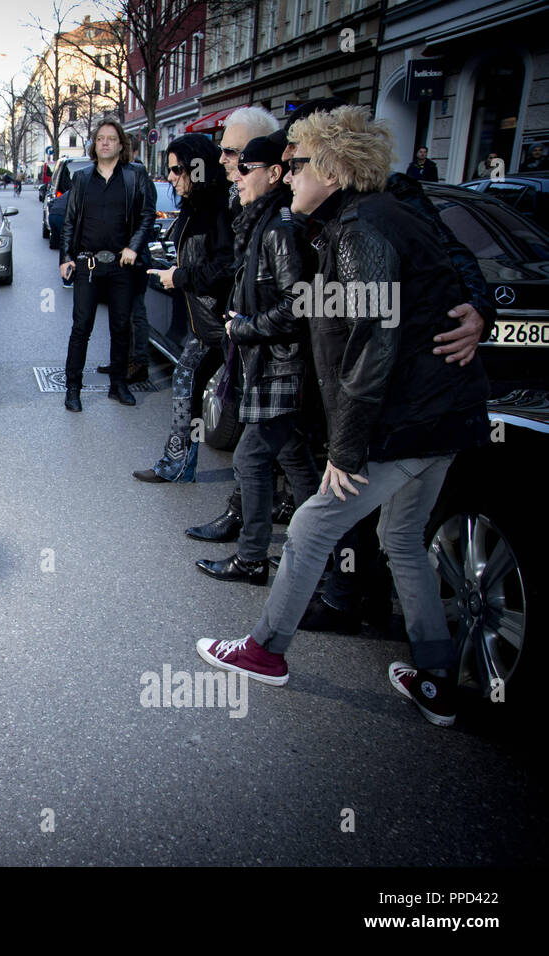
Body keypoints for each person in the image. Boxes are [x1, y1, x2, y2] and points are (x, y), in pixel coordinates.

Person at [196, 107, 490, 728]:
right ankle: (436, 680)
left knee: (309, 526)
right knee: (402, 539)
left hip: (408, 420)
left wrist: (347, 450)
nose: (288, 177)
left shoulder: (360, 228)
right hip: (446, 415)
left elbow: (372, 343)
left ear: (331, 169)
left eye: (297, 166)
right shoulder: (365, 220)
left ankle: (265, 650)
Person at [193, 135, 318, 586]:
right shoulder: (261, 220)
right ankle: (311, 556)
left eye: (247, 169)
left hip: (279, 363)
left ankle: (253, 559)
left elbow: (295, 306)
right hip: (268, 360)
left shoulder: (278, 228)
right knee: (296, 459)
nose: (238, 176)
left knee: (250, 458)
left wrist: (242, 326)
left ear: (274, 173)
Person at [133, 133, 234, 482]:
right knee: (186, 385)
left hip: (222, 324)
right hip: (205, 324)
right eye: (169, 169)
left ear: (198, 167)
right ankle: (178, 465)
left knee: (262, 416)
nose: (172, 177)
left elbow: (227, 267)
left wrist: (181, 277)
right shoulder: (196, 206)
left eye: (177, 169)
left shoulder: (220, 208)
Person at [58, 117, 156, 410]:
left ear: (120, 144)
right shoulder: (83, 178)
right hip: (87, 264)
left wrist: (134, 247)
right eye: (100, 138)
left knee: (120, 327)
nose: (104, 143)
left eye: (111, 139)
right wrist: (66, 257)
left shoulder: (135, 176)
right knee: (81, 328)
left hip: (121, 265)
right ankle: (73, 388)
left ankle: (118, 385)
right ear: (94, 144)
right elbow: (70, 219)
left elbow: (147, 215)